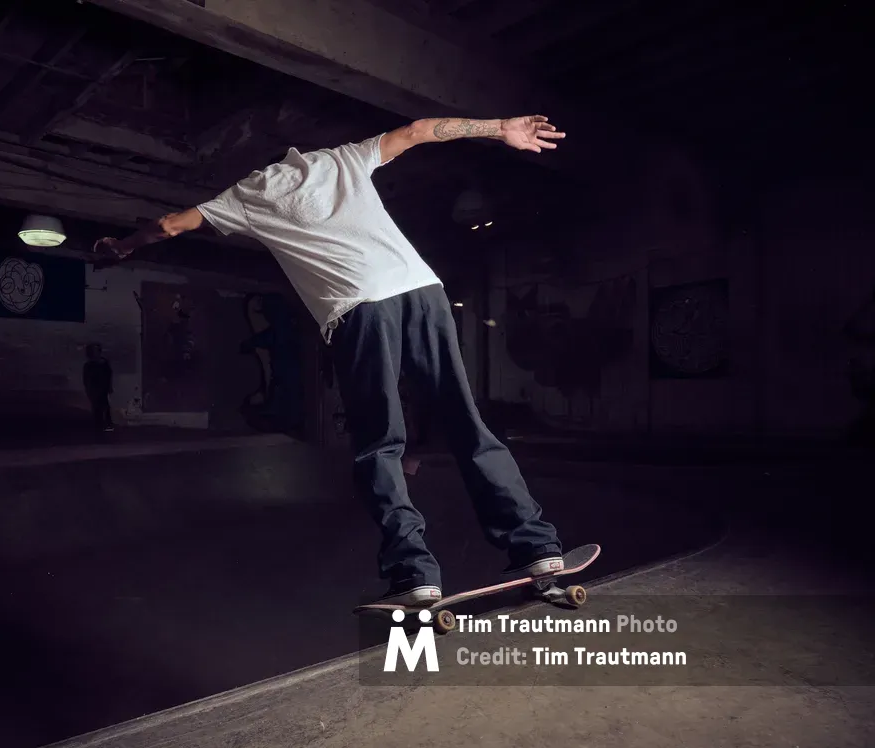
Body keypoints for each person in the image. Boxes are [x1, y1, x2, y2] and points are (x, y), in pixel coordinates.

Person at [95, 114, 570, 607]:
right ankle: (537, 548)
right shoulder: (341, 158)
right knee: (466, 424)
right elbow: (419, 130)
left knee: (380, 445)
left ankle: (414, 574)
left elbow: (170, 226)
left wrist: (121, 246)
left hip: (358, 310)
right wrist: (501, 127)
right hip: (422, 292)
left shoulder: (246, 195)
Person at [83, 343, 114, 431]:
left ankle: (107, 424)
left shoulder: (104, 363)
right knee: (97, 407)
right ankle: (99, 424)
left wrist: (110, 386)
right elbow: (86, 379)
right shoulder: (89, 365)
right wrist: (88, 388)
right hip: (94, 389)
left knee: (105, 406)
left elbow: (109, 375)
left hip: (103, 388)